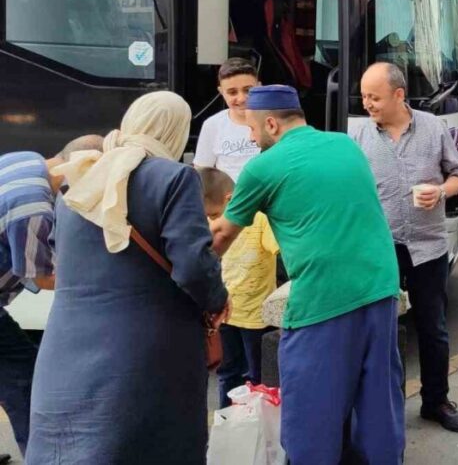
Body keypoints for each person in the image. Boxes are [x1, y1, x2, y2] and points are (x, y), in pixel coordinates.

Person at [27, 93, 228, 464]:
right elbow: (193, 267)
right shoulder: (174, 177)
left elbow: (61, 254)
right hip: (145, 350)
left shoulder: (80, 179)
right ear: (175, 130)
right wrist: (218, 300)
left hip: (65, 348)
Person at [210, 85, 404, 464]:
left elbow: (220, 236)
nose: (250, 137)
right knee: (378, 403)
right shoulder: (345, 144)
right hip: (381, 288)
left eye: (251, 129)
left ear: (270, 123)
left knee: (311, 418)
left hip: (323, 300)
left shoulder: (263, 167)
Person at [352, 63, 458, 432]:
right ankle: (380, 407)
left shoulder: (433, 128)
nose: (367, 103)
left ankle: (436, 401)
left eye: (374, 96)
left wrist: (441, 191)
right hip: (380, 246)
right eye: (364, 96)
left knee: (432, 327)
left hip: (427, 247)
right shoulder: (360, 136)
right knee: (378, 328)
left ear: (399, 95)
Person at [0, 135, 101, 460]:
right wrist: (100, 280)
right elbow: (40, 276)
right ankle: (40, 456)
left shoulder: (26, 157)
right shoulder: (33, 207)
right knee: (22, 375)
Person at [200, 167, 280, 410]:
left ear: (229, 200)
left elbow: (280, 249)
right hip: (225, 313)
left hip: (256, 316)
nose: (213, 223)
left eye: (215, 215)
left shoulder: (260, 219)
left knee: (256, 377)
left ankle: (255, 426)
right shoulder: (209, 219)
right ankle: (227, 420)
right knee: (227, 372)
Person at [193, 57, 261, 181]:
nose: (241, 98)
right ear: (221, 92)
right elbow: (202, 172)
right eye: (232, 92)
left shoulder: (272, 121)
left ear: (259, 86)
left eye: (248, 90)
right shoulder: (212, 125)